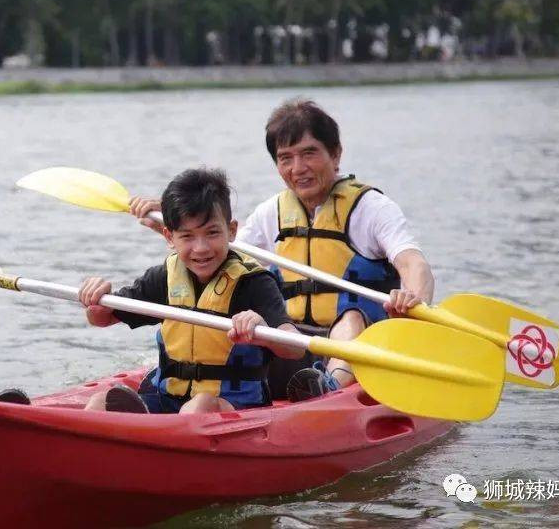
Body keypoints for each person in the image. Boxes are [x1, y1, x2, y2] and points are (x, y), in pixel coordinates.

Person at [129, 99, 435, 401]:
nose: (297, 168)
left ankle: (331, 390)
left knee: (351, 316)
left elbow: (413, 264)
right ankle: (179, 385)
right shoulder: (271, 213)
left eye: (309, 153)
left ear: (336, 154)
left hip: (361, 345)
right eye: (286, 158)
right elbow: (219, 256)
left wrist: (413, 299)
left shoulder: (372, 209)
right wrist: (179, 221)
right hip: (290, 341)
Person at [78, 167, 305, 414]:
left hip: (235, 404)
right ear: (169, 237)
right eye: (187, 236)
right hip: (168, 399)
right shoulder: (164, 278)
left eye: (212, 233)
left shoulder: (254, 282)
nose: (201, 248)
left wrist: (263, 331)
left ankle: (161, 431)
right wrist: (94, 299)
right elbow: (102, 318)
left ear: (231, 230)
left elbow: (296, 347)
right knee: (101, 402)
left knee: (200, 404)